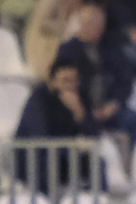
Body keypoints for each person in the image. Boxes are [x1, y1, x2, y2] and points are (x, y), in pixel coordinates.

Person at [53, 1, 136, 145]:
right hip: (80, 109)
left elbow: (125, 80)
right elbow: (62, 82)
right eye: (86, 23)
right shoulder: (68, 50)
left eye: (94, 24)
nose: (88, 28)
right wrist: (82, 109)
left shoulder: (112, 48)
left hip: (108, 108)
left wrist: (114, 104)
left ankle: (132, 163)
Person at [13, 59, 101, 193]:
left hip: (66, 156)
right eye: (65, 80)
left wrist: (79, 114)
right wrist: (72, 146)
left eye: (74, 80)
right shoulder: (39, 99)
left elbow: (94, 135)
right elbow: (40, 138)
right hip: (34, 158)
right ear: (52, 82)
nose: (71, 85)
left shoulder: (79, 97)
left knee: (98, 164)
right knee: (48, 161)